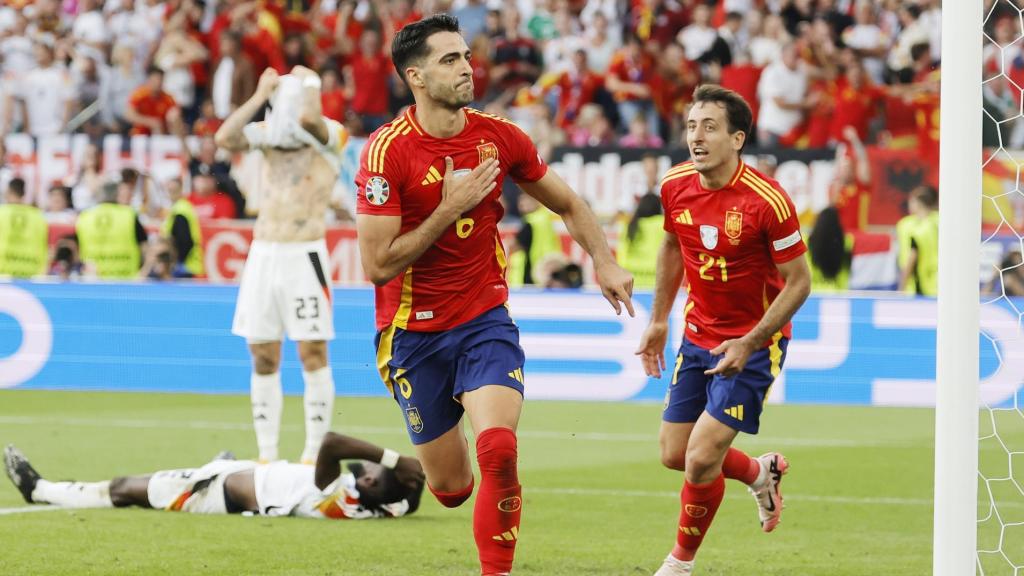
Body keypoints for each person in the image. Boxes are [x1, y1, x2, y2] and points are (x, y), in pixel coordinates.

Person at [355, 15, 635, 576]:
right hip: (412, 334)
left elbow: (568, 203)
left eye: (465, 55)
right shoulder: (386, 153)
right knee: (452, 488)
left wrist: (604, 260)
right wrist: (449, 208)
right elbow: (377, 265)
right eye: (449, 60)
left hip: (484, 319)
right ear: (415, 77)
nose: (467, 67)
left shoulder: (499, 136)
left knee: (500, 450)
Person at [635, 85, 811, 576]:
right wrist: (658, 319)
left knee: (700, 458)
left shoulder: (768, 201)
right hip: (697, 334)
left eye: (709, 127)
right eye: (692, 126)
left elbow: (800, 283)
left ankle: (679, 563)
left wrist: (751, 342)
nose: (696, 136)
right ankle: (759, 472)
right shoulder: (675, 184)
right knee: (674, 453)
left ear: (737, 139)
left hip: (754, 343)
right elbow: (672, 246)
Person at [216, 65, 349, 465]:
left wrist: (311, 82)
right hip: (264, 253)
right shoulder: (268, 135)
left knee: (312, 350)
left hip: (304, 253)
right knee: (262, 353)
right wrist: (260, 95)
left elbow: (308, 120)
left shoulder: (332, 135)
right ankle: (267, 455)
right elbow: (225, 137)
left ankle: (314, 453)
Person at [4, 431, 425, 520]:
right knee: (227, 462)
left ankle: (39, 490)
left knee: (122, 489)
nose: (371, 465)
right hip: (238, 476)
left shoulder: (338, 497)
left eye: (376, 469)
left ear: (370, 483)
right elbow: (405, 499)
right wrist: (410, 483)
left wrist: (395, 459)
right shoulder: (370, 503)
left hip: (210, 493)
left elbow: (332, 442)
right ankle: (220, 460)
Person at [75, 182, 147, 279]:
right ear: (117, 195)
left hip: (93, 277)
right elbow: (144, 246)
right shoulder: (128, 214)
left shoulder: (85, 216)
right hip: (125, 277)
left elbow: (77, 247)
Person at [0, 177, 48, 278]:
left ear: (8, 192)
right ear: (24, 193)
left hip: (3, 271)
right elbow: (44, 243)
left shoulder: (2, 212)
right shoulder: (38, 216)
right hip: (31, 271)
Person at [896, 185, 938, 296]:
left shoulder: (919, 230)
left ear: (918, 203)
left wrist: (901, 286)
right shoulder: (941, 221)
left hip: (922, 286)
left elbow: (912, 257)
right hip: (941, 282)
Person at [617, 192, 664, 289]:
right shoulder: (662, 224)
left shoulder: (628, 225)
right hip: (655, 282)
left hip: (630, 283)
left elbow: (621, 255)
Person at [161, 177, 204, 277]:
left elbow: (184, 240)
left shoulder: (180, 211)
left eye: (174, 190)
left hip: (185, 265)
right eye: (170, 190)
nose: (171, 193)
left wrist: (177, 261)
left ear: (181, 190)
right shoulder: (182, 207)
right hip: (188, 264)